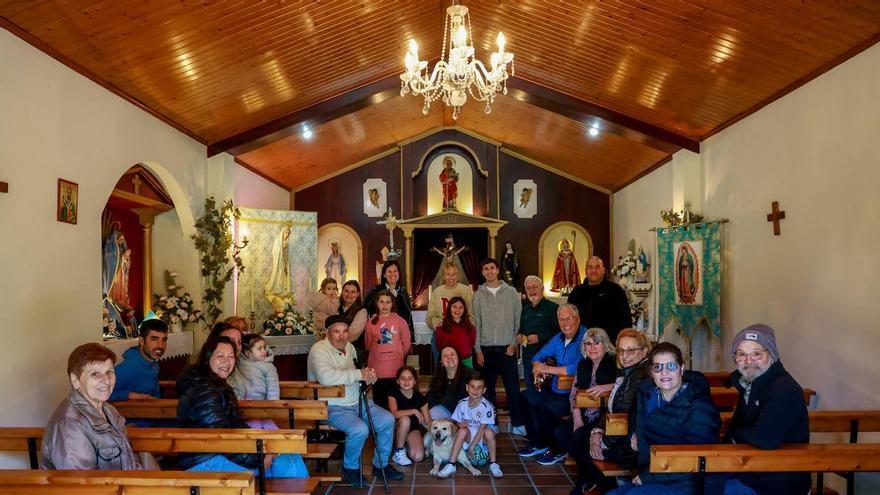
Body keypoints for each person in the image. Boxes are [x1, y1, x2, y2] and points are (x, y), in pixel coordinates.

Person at [176, 336, 307, 477]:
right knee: (288, 462)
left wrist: (262, 447)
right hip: (205, 461)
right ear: (207, 359)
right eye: (220, 356)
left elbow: (236, 426)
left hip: (216, 453)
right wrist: (258, 459)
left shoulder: (216, 385)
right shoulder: (205, 391)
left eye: (231, 356)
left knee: (287, 454)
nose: (226, 361)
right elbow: (220, 438)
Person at [608, 342, 721, 495]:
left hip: (688, 480)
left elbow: (698, 458)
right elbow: (634, 409)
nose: (664, 372)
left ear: (681, 369)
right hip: (651, 470)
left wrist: (650, 476)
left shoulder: (699, 405)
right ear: (651, 372)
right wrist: (633, 432)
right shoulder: (647, 391)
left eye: (671, 366)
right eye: (658, 367)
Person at [308, 315, 403, 487]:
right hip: (332, 406)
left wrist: (368, 376)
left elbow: (356, 372)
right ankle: (350, 468)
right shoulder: (318, 349)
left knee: (388, 420)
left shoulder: (349, 347)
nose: (342, 336)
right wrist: (359, 374)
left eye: (345, 331)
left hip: (357, 401)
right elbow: (326, 377)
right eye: (337, 332)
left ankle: (380, 464)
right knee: (360, 430)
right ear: (327, 333)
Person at [722, 324, 810, 495]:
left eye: (756, 354)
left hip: (780, 481)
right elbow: (736, 427)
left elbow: (765, 439)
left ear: (772, 355)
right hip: (756, 470)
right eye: (742, 354)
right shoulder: (750, 384)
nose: (749, 361)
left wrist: (738, 435)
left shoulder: (781, 389)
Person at [41, 343, 142, 470]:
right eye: (95, 374)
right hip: (102, 489)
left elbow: (130, 461)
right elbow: (81, 485)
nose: (106, 380)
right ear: (75, 380)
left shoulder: (109, 410)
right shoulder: (69, 425)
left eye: (109, 372)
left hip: (124, 486)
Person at [575, 329, 651, 494]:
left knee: (584, 447)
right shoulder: (625, 373)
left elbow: (622, 418)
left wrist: (601, 442)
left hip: (629, 447)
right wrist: (597, 432)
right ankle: (593, 485)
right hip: (618, 435)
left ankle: (597, 487)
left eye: (631, 350)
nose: (625, 355)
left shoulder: (639, 377)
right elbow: (612, 411)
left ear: (644, 352)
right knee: (581, 438)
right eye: (622, 350)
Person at [518, 304, 587, 466]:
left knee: (545, 407)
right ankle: (538, 443)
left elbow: (579, 366)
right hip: (555, 388)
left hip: (574, 394)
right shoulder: (558, 338)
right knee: (524, 397)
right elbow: (537, 356)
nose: (565, 323)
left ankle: (559, 448)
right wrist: (537, 369)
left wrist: (548, 368)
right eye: (561, 320)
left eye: (568, 318)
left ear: (577, 318)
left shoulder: (586, 337)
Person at [472, 258, 524, 432]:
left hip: (507, 348)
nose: (489, 271)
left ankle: (517, 423)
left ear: (497, 270)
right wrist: (478, 349)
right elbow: (476, 323)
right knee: (488, 389)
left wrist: (514, 343)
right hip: (486, 349)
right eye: (485, 269)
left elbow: (518, 320)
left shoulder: (511, 292)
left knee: (512, 387)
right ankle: (491, 423)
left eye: (492, 268)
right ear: (482, 272)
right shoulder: (478, 294)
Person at [556, 328, 617, 472]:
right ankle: (589, 472)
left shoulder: (614, 363)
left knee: (579, 436)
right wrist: (577, 417)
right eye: (588, 344)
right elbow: (573, 394)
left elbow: (625, 384)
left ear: (605, 345)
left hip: (603, 418)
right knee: (560, 431)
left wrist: (608, 386)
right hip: (584, 415)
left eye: (597, 343)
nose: (593, 347)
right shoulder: (583, 365)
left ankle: (587, 477)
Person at [436, 372, 504, 479]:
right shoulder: (462, 403)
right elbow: (456, 422)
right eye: (472, 387)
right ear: (467, 387)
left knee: (489, 432)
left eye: (479, 388)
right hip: (468, 435)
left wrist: (472, 446)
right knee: (462, 430)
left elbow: (482, 429)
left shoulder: (487, 406)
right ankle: (451, 464)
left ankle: (493, 463)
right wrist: (460, 424)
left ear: (484, 390)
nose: (475, 390)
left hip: (481, 437)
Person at [363, 290, 412, 409]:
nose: (384, 305)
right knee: (379, 402)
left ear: (392, 304)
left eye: (388, 302)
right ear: (377, 303)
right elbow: (368, 344)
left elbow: (406, 344)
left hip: (395, 367)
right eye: (382, 302)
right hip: (377, 368)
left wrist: (398, 354)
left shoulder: (401, 321)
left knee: (395, 401)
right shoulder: (371, 322)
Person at [567, 256, 632, 344]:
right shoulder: (576, 292)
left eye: (597, 267)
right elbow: (569, 319)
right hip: (581, 344)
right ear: (586, 271)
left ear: (604, 270)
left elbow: (626, 320)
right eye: (590, 267)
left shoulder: (616, 290)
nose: (594, 270)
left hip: (609, 344)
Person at [518, 275, 560, 396]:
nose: (532, 291)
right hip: (528, 359)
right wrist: (520, 336)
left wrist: (539, 337)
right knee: (531, 391)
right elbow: (521, 329)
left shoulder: (553, 308)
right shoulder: (525, 310)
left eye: (534, 287)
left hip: (546, 360)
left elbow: (559, 333)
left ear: (542, 288)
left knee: (545, 393)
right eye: (528, 288)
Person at [109, 318, 168, 402]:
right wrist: (130, 395)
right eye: (154, 339)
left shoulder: (154, 364)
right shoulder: (128, 368)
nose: (161, 345)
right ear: (141, 341)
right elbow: (99, 393)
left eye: (164, 340)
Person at [427, 263, 473, 365]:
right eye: (448, 274)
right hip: (442, 335)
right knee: (441, 368)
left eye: (453, 274)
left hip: (461, 335)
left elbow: (472, 316)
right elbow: (429, 318)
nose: (451, 277)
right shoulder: (437, 292)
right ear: (443, 276)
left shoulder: (465, 290)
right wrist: (434, 321)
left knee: (463, 369)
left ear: (458, 275)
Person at [231, 334, 281, 430]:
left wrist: (272, 405)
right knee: (252, 425)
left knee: (268, 427)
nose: (264, 351)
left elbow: (273, 388)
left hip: (261, 404)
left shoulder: (269, 367)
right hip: (242, 404)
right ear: (248, 353)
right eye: (259, 348)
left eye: (264, 348)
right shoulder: (239, 363)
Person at [388, 366, 430, 466]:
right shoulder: (393, 393)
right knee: (405, 420)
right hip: (396, 428)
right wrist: (414, 411)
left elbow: (428, 421)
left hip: (412, 429)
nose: (406, 381)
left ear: (415, 381)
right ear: (397, 381)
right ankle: (398, 451)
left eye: (410, 378)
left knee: (418, 457)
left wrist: (443, 423)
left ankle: (405, 445)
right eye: (402, 378)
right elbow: (394, 413)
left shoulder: (420, 397)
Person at [365, 260, 414, 341]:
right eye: (389, 271)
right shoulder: (375, 291)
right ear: (384, 274)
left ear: (399, 273)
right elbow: (368, 312)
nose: (393, 274)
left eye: (395, 271)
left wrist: (411, 338)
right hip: (382, 335)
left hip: (401, 336)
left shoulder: (403, 292)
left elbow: (409, 317)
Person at [426, 346, 474, 419]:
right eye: (445, 356)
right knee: (431, 413)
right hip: (449, 413)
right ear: (441, 362)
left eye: (452, 354)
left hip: (470, 414)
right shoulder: (438, 378)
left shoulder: (471, 375)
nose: (449, 357)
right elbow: (430, 400)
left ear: (458, 358)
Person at [435, 296, 477, 368]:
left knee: (467, 379)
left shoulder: (470, 326)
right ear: (449, 308)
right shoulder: (441, 326)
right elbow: (439, 345)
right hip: (450, 361)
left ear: (464, 310)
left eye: (461, 307)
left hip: (466, 360)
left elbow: (472, 342)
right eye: (454, 307)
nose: (457, 310)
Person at [265, 226, 292, 305]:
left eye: (288, 233)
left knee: (284, 275)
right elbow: (275, 251)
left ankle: (283, 288)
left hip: (283, 261)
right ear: (283, 232)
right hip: (278, 261)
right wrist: (281, 250)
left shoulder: (286, 241)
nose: (287, 234)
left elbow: (286, 253)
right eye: (286, 232)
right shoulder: (278, 240)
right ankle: (276, 287)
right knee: (277, 274)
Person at [338, 279, 369, 347]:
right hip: (332, 348)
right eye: (346, 291)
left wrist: (334, 338)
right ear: (342, 292)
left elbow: (352, 334)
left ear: (358, 294)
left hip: (352, 349)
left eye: (353, 292)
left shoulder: (361, 311)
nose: (349, 294)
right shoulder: (336, 307)